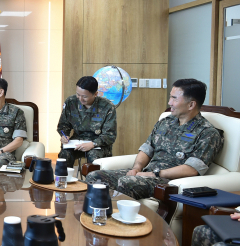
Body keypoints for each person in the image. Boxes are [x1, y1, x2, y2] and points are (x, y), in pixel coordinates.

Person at [86, 79, 224, 199]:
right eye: (170, 97)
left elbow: (192, 169)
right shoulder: (166, 121)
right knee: (95, 176)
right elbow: (147, 148)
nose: (170, 102)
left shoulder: (207, 133)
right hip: (146, 172)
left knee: (127, 182)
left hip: (168, 182)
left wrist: (155, 174)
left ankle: (121, 224)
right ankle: (96, 215)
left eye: (174, 98)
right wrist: (136, 168)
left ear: (191, 105)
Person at [57, 76, 117, 164]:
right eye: (78, 94)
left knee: (94, 158)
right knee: (64, 155)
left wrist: (93, 144)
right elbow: (63, 125)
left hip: (98, 144)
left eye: (84, 96)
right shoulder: (71, 102)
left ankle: (92, 178)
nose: (80, 99)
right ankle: (65, 177)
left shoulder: (107, 107)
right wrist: (64, 136)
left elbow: (110, 135)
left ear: (95, 94)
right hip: (76, 141)